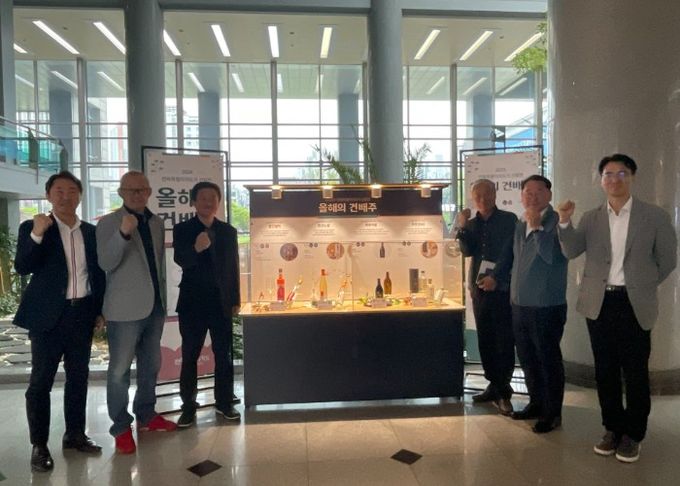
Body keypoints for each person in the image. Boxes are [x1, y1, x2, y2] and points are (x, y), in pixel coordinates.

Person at [557, 154, 677, 462]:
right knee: (605, 371)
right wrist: (565, 222)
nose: (614, 179)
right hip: (599, 303)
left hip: (634, 303)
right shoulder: (591, 218)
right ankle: (612, 428)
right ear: (601, 181)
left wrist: (642, 283)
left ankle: (633, 434)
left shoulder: (654, 216)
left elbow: (668, 260)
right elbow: (571, 250)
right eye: (608, 174)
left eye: (622, 173)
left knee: (635, 372)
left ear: (632, 177)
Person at [14, 171, 106, 472]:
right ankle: (39, 445)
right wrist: (37, 235)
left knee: (78, 377)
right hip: (47, 317)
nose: (66, 196)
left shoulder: (90, 232)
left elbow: (97, 274)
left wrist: (99, 310)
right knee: (41, 382)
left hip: (82, 313)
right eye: (59, 191)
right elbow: (22, 266)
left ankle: (75, 435)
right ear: (49, 195)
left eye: (72, 191)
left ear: (80, 195)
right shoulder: (34, 226)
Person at [96, 171, 177, 454]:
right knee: (119, 371)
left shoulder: (156, 222)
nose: (137, 194)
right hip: (123, 310)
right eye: (130, 190)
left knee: (150, 366)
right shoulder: (108, 223)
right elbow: (106, 263)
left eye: (142, 189)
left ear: (149, 192)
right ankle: (120, 427)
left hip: (154, 307)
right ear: (120, 193)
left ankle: (146, 415)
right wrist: (123, 234)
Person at [173, 182, 242, 427]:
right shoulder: (183, 229)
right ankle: (188, 407)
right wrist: (196, 248)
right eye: (203, 198)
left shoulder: (228, 231)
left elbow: (233, 268)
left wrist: (235, 300)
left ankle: (224, 402)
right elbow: (181, 260)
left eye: (213, 198)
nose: (208, 202)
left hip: (221, 303)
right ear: (193, 202)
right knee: (190, 355)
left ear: (218, 202)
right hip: (192, 303)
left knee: (223, 355)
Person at [510, 175, 568, 433]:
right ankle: (536, 403)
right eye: (527, 192)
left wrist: (537, 229)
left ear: (549, 194)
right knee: (528, 359)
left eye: (538, 191)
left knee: (548, 360)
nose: (532, 196)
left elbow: (552, 256)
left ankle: (552, 413)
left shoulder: (556, 221)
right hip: (520, 304)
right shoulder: (520, 222)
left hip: (546, 306)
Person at [456, 179, 517, 416]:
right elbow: (466, 251)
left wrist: (496, 277)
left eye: (486, 194)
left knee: (504, 339)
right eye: (477, 196)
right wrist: (462, 227)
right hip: (479, 288)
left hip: (502, 288)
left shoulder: (509, 219)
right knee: (486, 339)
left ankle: (504, 392)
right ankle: (493, 385)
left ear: (495, 193)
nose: (482, 199)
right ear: (473, 198)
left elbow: (510, 252)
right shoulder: (471, 224)